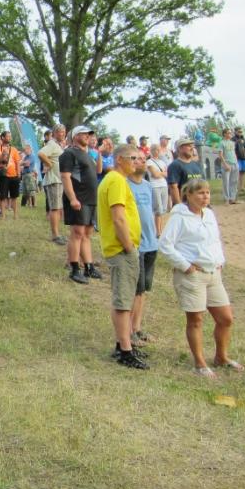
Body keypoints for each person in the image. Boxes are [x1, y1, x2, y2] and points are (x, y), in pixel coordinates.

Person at [158, 178, 242, 378]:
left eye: (207, 193)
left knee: (225, 318)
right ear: (188, 195)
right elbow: (165, 244)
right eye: (200, 193)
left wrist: (220, 260)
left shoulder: (209, 214)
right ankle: (200, 363)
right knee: (196, 319)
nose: (205, 197)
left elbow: (215, 240)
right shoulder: (180, 216)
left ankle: (221, 357)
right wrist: (185, 265)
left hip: (213, 273)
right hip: (193, 275)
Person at [97, 145, 148, 369]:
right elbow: (118, 217)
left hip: (120, 248)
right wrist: (128, 247)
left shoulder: (115, 180)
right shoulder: (116, 180)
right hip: (121, 249)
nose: (136, 162)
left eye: (138, 158)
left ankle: (123, 343)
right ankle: (125, 351)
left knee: (124, 299)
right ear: (119, 159)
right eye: (132, 158)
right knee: (123, 302)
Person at [60, 125, 101, 283]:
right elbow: (65, 176)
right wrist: (72, 198)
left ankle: (89, 267)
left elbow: (97, 171)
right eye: (84, 134)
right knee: (77, 233)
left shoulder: (87, 154)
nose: (87, 136)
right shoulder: (69, 153)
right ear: (75, 136)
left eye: (89, 134)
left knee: (87, 234)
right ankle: (75, 269)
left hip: (91, 199)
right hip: (79, 199)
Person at [127, 151, 159, 348]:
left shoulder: (148, 186)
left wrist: (156, 235)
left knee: (143, 289)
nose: (142, 161)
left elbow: (155, 212)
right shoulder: (124, 185)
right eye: (136, 158)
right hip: (135, 244)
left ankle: (137, 328)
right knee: (134, 289)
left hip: (151, 243)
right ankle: (128, 331)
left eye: (143, 158)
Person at [39, 126, 66, 244]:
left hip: (58, 180)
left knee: (58, 208)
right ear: (54, 133)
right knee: (55, 208)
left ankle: (57, 233)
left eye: (64, 132)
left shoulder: (57, 145)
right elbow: (41, 153)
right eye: (60, 132)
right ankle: (55, 235)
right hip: (53, 180)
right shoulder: (52, 144)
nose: (63, 134)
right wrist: (49, 164)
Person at [0, 131, 21, 219]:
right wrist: (1, 157)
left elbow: (17, 162)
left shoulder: (14, 149)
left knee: (14, 196)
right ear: (3, 138)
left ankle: (15, 215)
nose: (9, 138)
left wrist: (18, 173)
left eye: (10, 136)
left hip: (14, 175)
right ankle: (3, 216)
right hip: (3, 176)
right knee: (3, 196)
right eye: (8, 136)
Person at [166, 138, 203, 206]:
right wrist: (179, 206)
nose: (192, 148)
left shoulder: (196, 165)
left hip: (198, 204)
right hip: (185, 205)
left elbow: (203, 184)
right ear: (180, 148)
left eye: (192, 146)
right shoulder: (175, 165)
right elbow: (173, 187)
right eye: (188, 146)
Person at [146, 144, 169, 236]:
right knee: (158, 209)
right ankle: (158, 232)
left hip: (164, 185)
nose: (158, 151)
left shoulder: (162, 162)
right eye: (156, 149)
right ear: (152, 150)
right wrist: (162, 173)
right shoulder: (149, 162)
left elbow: (166, 174)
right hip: (155, 186)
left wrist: (160, 173)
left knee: (163, 209)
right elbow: (155, 175)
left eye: (159, 149)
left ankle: (161, 229)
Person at [218, 129, 239, 205]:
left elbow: (233, 153)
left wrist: (236, 161)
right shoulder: (221, 143)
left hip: (234, 163)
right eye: (228, 133)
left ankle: (232, 198)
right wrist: (225, 164)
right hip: (227, 163)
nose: (230, 134)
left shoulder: (232, 143)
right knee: (226, 182)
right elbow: (220, 155)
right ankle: (226, 199)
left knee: (234, 181)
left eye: (231, 133)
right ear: (224, 134)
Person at [234, 128, 245, 194]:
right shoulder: (233, 139)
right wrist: (238, 141)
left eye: (241, 132)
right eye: (239, 131)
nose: (240, 133)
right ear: (235, 132)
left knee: (242, 172)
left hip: (244, 157)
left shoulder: (243, 138)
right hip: (237, 158)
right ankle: (236, 187)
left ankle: (242, 187)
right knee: (237, 172)